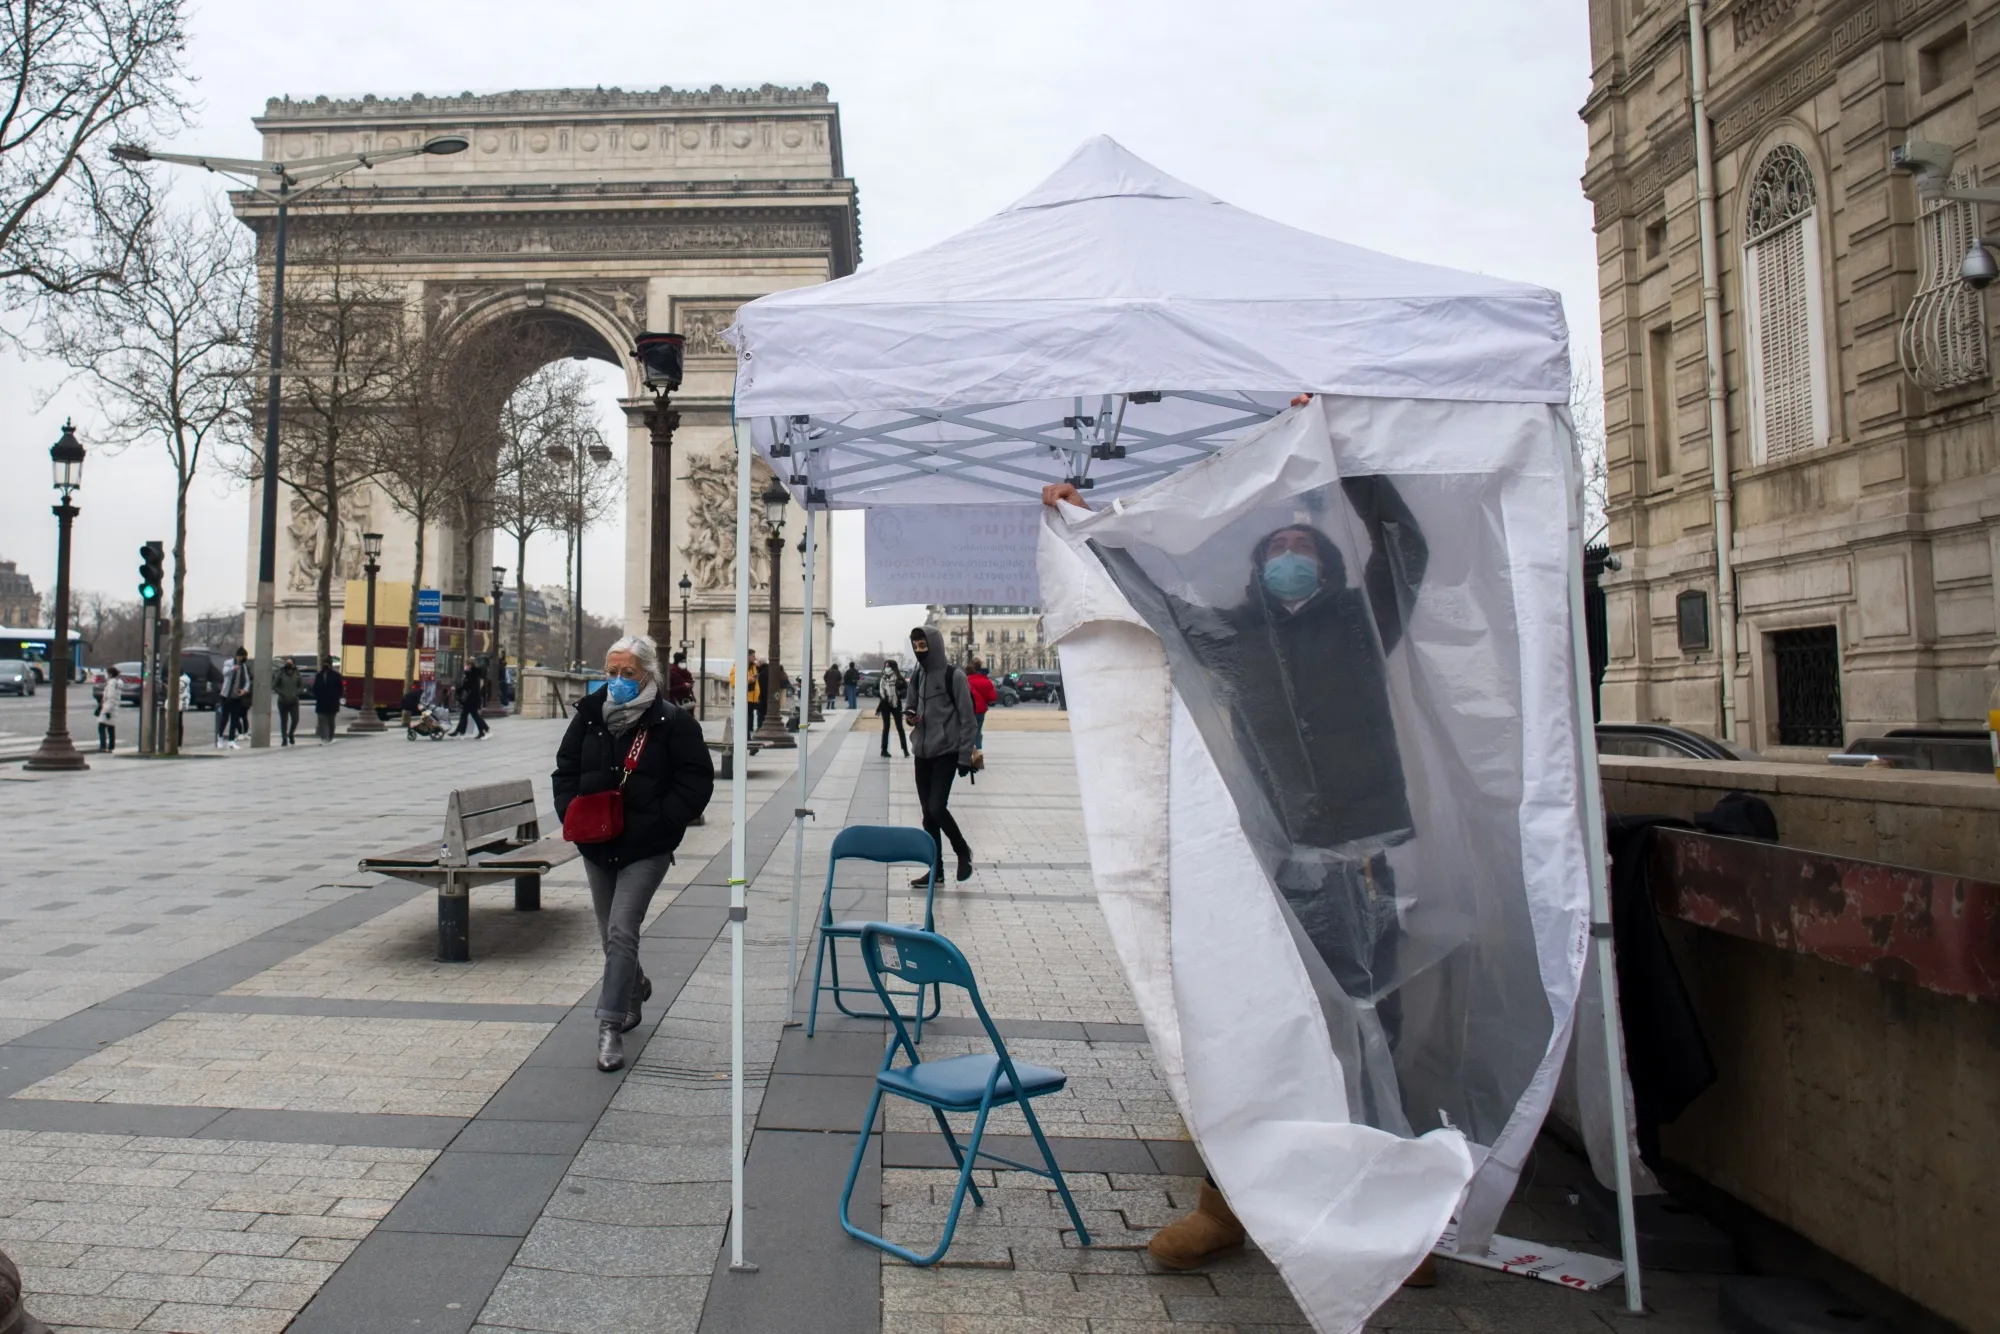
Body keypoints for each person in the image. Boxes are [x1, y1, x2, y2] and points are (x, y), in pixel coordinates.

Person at [1041, 397, 1437, 1281]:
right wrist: (1086, 532)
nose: (1290, 561)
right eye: (1277, 554)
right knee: (1253, 1022)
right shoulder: (1234, 637)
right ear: (1257, 578)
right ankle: (1230, 1198)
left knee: (1371, 1032)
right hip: (1271, 860)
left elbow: (1407, 551)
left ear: (1328, 568)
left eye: (1303, 550)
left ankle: (1384, 1210)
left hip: (1363, 855)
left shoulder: (1359, 626)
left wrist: (1342, 456)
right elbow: (1156, 605)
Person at [553, 634, 714, 1073]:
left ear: (648, 674)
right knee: (611, 937)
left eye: (628, 673)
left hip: (646, 847)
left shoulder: (673, 722)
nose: (618, 681)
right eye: (612, 673)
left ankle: (609, 1026)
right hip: (597, 842)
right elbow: (564, 769)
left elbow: (697, 783)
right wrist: (571, 811)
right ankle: (635, 985)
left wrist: (663, 824)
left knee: (623, 930)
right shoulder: (588, 716)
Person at [904, 625, 977, 885]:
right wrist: (910, 716)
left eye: (923, 646)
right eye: (915, 647)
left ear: (933, 645)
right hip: (922, 753)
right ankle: (936, 870)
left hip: (946, 752)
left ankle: (962, 850)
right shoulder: (917, 674)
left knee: (937, 807)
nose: (919, 651)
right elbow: (910, 704)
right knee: (927, 814)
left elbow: (968, 719)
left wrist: (964, 756)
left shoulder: (954, 676)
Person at [217, 647, 250, 748]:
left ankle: (231, 739)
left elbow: (247, 681)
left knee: (235, 718)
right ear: (237, 656)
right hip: (227, 695)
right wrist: (233, 668)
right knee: (225, 718)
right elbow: (224, 673)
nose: (243, 659)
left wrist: (244, 690)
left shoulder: (244, 667)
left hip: (237, 696)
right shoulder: (229, 663)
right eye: (242, 657)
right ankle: (220, 737)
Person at [876, 660, 910, 759]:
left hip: (896, 704)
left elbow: (905, 689)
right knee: (886, 726)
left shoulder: (899, 679)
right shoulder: (882, 678)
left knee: (899, 726)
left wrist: (899, 694)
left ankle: (905, 749)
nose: (887, 668)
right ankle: (884, 749)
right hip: (884, 704)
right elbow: (875, 689)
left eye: (889, 666)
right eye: (886, 666)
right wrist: (882, 694)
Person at [311, 657, 344, 744]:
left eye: (327, 663)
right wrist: (317, 695)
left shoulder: (336, 675)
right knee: (322, 720)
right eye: (324, 663)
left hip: (332, 703)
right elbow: (315, 688)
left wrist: (336, 697)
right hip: (321, 702)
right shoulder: (319, 675)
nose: (326, 665)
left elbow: (340, 689)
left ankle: (330, 737)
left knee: (330, 721)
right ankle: (324, 737)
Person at [965, 659, 997, 750]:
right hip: (981, 712)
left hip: (969, 711)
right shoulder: (986, 681)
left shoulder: (965, 681)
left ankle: (970, 753)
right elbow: (992, 698)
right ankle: (978, 752)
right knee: (978, 732)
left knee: (968, 733)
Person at [453, 662, 489, 738]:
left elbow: (466, 686)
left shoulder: (472, 675)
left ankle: (461, 731)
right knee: (468, 715)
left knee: (471, 715)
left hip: (472, 700)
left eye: (467, 665)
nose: (465, 667)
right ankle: (461, 731)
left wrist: (457, 690)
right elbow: (465, 686)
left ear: (471, 666)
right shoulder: (470, 675)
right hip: (470, 699)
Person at [273, 657, 303, 746]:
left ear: (294, 664)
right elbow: (274, 686)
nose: (288, 664)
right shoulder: (281, 673)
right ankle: (284, 739)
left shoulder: (297, 673)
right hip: (283, 701)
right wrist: (282, 693)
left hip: (294, 701)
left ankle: (291, 734)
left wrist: (296, 693)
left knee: (295, 719)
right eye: (287, 662)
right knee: (284, 721)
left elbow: (301, 685)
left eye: (290, 662)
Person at [94, 665, 120, 753]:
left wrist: (105, 710)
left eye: (107, 673)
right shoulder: (116, 683)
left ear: (110, 674)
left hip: (109, 709)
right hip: (113, 709)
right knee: (110, 728)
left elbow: (110, 697)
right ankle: (111, 746)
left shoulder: (112, 684)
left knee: (101, 727)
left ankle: (103, 746)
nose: (106, 675)